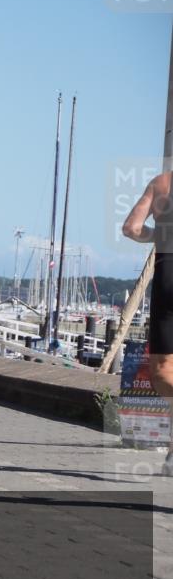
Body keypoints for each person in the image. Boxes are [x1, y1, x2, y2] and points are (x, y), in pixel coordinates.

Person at [122, 170, 173, 477]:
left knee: (163, 371)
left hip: (169, 276)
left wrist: (159, 236)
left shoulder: (161, 183)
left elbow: (131, 228)